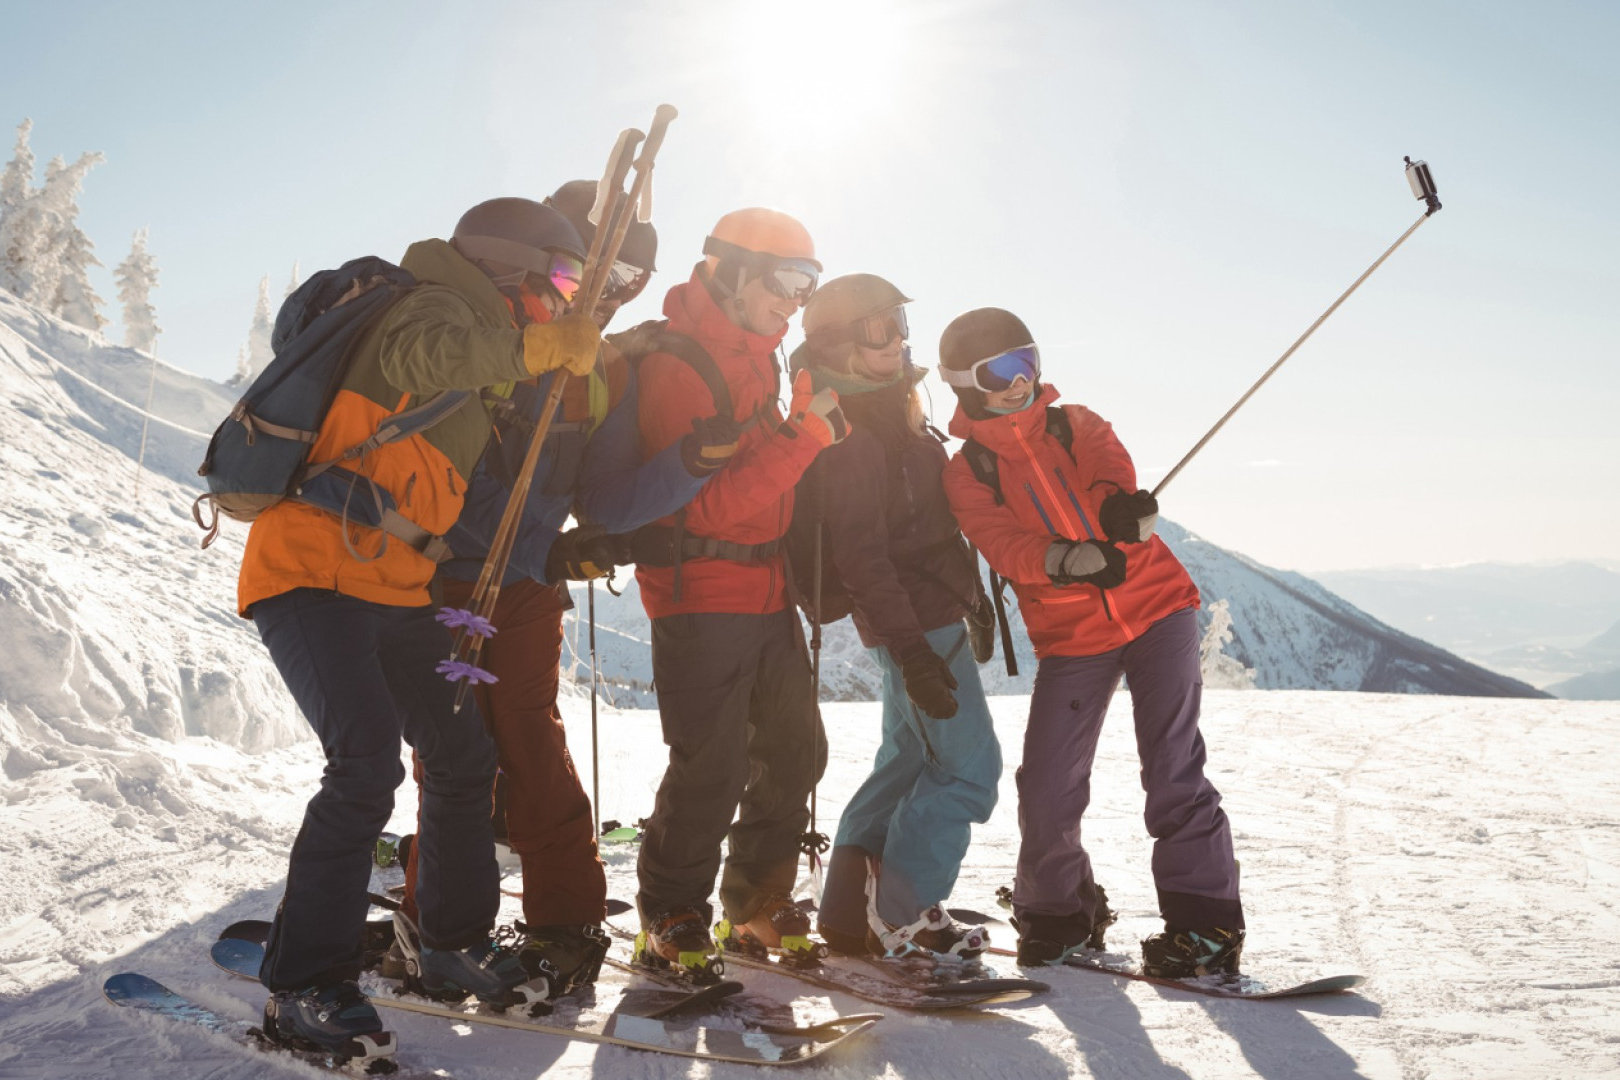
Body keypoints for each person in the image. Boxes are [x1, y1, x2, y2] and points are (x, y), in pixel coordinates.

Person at [237, 197, 601, 1059]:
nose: (565, 298)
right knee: (363, 765)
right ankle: (305, 988)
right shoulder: (430, 302)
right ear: (508, 265)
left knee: (463, 754)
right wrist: (526, 347)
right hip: (311, 570)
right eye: (560, 277)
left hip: (396, 585)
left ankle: (449, 943)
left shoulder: (489, 352)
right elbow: (423, 352)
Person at [393, 185, 703, 996]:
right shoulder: (488, 328)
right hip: (440, 577)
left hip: (523, 585)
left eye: (635, 274)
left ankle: (564, 919)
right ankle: (438, 916)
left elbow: (605, 495)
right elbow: (450, 472)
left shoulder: (605, 368)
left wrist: (689, 466)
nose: (617, 285)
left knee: (527, 736)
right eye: (604, 266)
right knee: (454, 751)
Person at [938, 307, 1246, 976]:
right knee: (1047, 782)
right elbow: (1001, 544)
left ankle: (1206, 923)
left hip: (1158, 607)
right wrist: (1063, 560)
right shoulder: (969, 472)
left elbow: (1110, 471)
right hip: (1072, 636)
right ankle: (1058, 912)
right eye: (1000, 371)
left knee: (1172, 766)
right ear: (965, 384)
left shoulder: (1077, 423)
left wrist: (1119, 511)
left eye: (1027, 361)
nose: (1020, 381)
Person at [628, 208, 845, 978]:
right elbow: (705, 507)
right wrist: (804, 436)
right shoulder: (678, 366)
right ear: (731, 271)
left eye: (808, 284)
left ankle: (753, 907)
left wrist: (798, 420)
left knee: (795, 751)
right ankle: (671, 915)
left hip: (764, 585)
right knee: (711, 765)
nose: (797, 299)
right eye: (788, 280)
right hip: (699, 588)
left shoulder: (764, 356)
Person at [788, 274, 1001, 960]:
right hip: (913, 624)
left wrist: (970, 600)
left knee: (907, 759)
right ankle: (906, 915)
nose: (898, 338)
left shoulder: (889, 410)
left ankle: (851, 911)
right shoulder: (853, 438)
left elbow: (923, 529)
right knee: (968, 769)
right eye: (879, 329)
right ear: (836, 345)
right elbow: (863, 556)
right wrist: (912, 652)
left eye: (901, 323)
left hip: (924, 616)